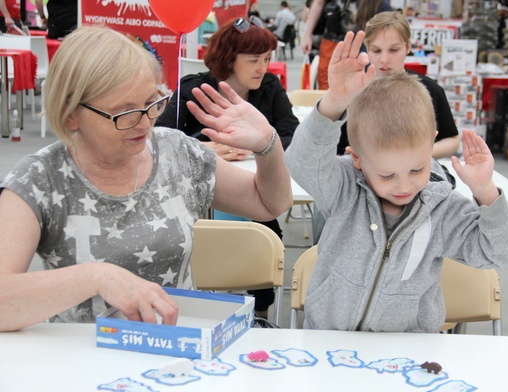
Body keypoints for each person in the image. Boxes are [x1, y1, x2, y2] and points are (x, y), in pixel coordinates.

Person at [0, 25, 292, 332]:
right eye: (124, 113)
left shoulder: (176, 152)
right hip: (80, 364)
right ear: (71, 113)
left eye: (152, 103)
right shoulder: (40, 178)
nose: (145, 123)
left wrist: (267, 146)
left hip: (175, 349)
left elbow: (269, 204)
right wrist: (96, 277)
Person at [284, 31, 508, 332]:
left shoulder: (443, 209)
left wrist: (486, 193)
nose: (404, 186)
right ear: (356, 158)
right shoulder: (344, 187)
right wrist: (334, 100)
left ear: (431, 144)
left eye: (417, 169)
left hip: (408, 352)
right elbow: (301, 162)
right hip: (330, 340)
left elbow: (504, 252)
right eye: (386, 175)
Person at [156, 17, 299, 319]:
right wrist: (204, 149)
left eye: (267, 59)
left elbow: (290, 134)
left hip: (254, 185)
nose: (263, 68)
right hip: (198, 194)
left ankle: (261, 309)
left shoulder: (270, 87)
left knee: (265, 229)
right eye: (254, 60)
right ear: (229, 59)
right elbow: (161, 139)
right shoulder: (195, 89)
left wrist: (255, 144)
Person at [338, 11, 460, 159]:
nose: (384, 59)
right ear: (367, 48)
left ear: (408, 47)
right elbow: (338, 145)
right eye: (376, 50)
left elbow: (452, 140)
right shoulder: (355, 89)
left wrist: (417, 156)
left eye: (394, 50)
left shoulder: (430, 90)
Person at [301, 0, 392, 89]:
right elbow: (318, 3)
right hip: (332, 37)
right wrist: (307, 35)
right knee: (326, 80)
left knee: (360, 78)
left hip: (359, 40)